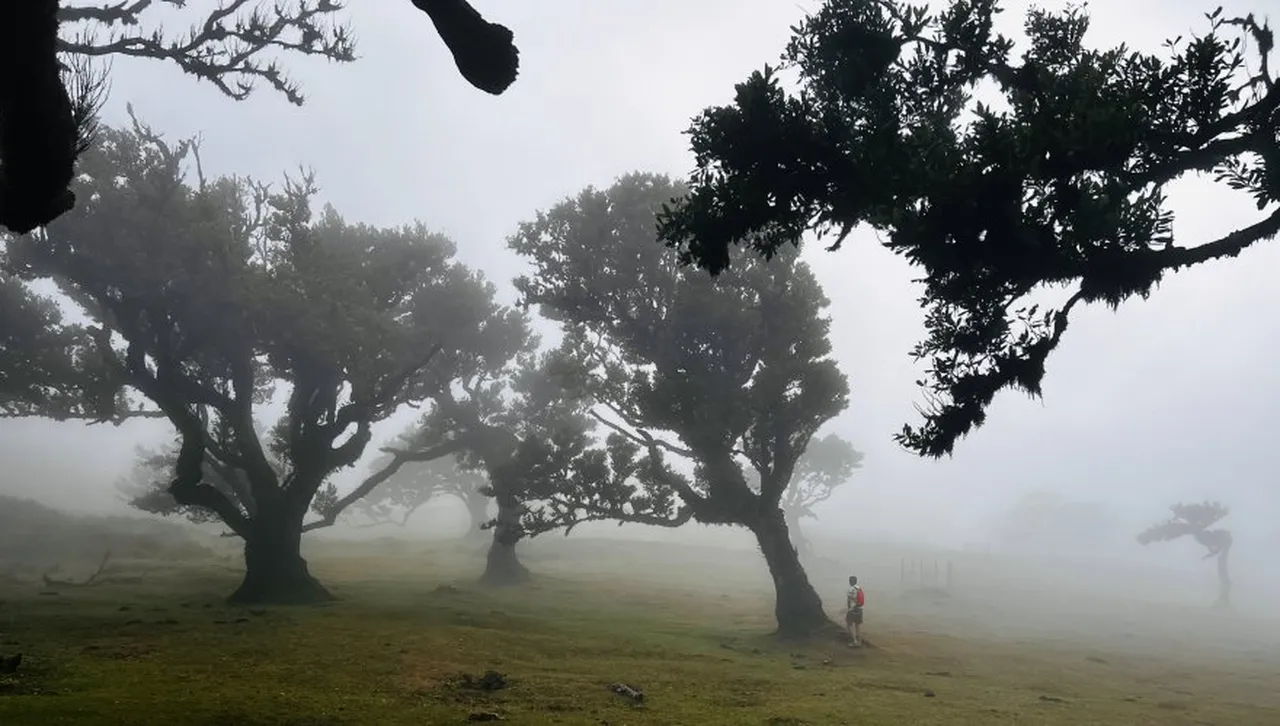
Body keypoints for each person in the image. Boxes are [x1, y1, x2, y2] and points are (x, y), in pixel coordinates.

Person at [845, 575, 865, 646]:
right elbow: (862, 599)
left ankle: (854, 641)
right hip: (860, 609)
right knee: (857, 625)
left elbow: (849, 600)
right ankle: (859, 641)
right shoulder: (859, 588)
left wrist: (849, 609)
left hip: (853, 609)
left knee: (849, 624)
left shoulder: (850, 589)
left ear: (850, 581)